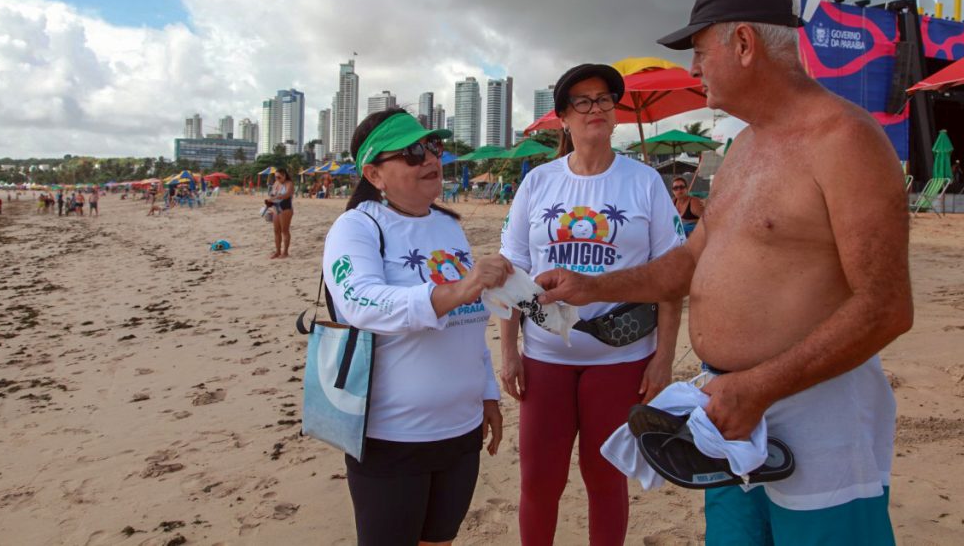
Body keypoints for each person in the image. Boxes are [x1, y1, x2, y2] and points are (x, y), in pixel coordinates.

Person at [536, 0, 913, 545]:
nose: (693, 69)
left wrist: (761, 385)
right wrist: (593, 287)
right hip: (728, 409)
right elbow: (690, 260)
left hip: (815, 407)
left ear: (743, 44)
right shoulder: (744, 146)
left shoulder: (845, 140)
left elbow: (887, 306)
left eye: (700, 51)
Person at [499, 64, 685, 546]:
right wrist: (509, 351)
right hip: (544, 358)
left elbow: (671, 278)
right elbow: (510, 272)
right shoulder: (537, 184)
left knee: (606, 482)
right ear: (563, 117)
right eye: (581, 101)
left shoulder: (645, 183)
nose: (594, 108)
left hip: (621, 358)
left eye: (604, 99)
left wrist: (664, 358)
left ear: (616, 114)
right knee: (540, 482)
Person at [322, 108, 511, 546]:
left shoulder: (447, 226)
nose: (429, 159)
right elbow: (359, 302)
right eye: (411, 153)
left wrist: (486, 392)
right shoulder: (356, 227)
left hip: (461, 431)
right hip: (393, 435)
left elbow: (469, 326)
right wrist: (456, 291)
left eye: (433, 147)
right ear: (374, 173)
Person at [265, 168, 295, 259]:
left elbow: (286, 195)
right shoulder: (276, 183)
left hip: (285, 208)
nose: (277, 179)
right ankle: (277, 251)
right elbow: (272, 194)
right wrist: (270, 202)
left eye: (279, 177)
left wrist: (274, 198)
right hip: (276, 208)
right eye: (275, 177)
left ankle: (285, 252)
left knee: (284, 231)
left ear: (284, 176)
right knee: (276, 230)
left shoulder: (289, 184)